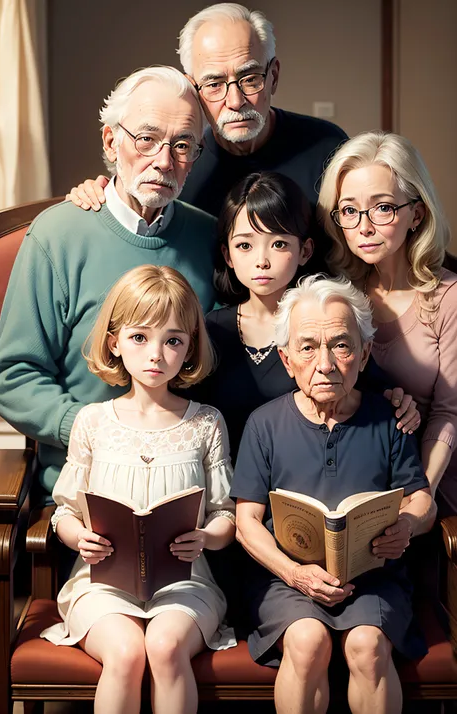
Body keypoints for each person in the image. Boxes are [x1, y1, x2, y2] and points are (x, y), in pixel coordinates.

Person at [0, 66, 218, 497]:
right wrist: (101, 433)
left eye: (183, 145)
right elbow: (14, 376)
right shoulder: (56, 235)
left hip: (194, 489)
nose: (164, 161)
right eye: (146, 139)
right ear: (112, 142)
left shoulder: (212, 239)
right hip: (87, 490)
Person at [230, 274, 436, 714]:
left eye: (341, 346)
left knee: (367, 645)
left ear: (363, 355)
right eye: (307, 347)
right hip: (285, 579)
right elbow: (246, 522)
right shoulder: (264, 424)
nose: (324, 363)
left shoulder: (390, 418)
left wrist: (408, 524)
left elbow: (421, 501)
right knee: (306, 641)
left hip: (374, 577)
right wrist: (294, 573)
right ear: (287, 360)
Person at [41, 264, 236, 714]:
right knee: (127, 651)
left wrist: (205, 538)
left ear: (189, 347)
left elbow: (226, 515)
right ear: (114, 342)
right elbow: (64, 512)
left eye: (172, 340)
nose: (156, 354)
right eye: (139, 337)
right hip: (101, 584)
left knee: (166, 647)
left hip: (185, 585)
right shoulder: (92, 421)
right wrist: (79, 537)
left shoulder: (206, 422)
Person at [196, 171, 420, 461]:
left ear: (305, 250)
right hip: (230, 489)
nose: (261, 260)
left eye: (278, 244)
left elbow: (378, 390)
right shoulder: (211, 331)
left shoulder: (330, 323)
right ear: (228, 256)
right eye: (244, 245)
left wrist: (401, 402)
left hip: (310, 485)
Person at [67, 3, 347, 231]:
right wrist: (100, 194)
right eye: (214, 84)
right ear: (194, 89)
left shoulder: (327, 147)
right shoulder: (178, 165)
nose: (235, 101)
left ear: (273, 76)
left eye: (249, 79)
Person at [318, 130, 457, 514]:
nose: (363, 227)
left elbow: (449, 414)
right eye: (349, 210)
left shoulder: (449, 296)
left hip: (432, 481)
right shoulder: (340, 294)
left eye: (382, 208)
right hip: (360, 480)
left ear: (417, 213)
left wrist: (420, 495)